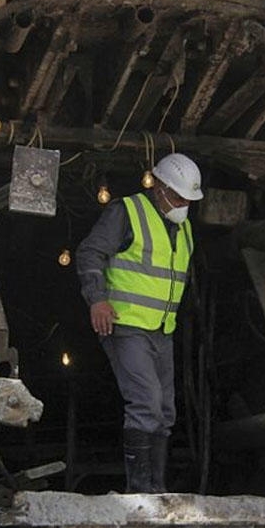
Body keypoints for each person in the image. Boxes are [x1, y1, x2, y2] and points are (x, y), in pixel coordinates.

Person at [75, 153, 203, 493]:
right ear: (159, 187)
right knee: (145, 403)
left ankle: (155, 489)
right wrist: (97, 299)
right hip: (126, 324)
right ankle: (139, 491)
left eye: (188, 200)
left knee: (164, 412)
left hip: (162, 330)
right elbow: (90, 252)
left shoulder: (184, 227)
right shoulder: (126, 211)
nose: (183, 204)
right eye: (178, 197)